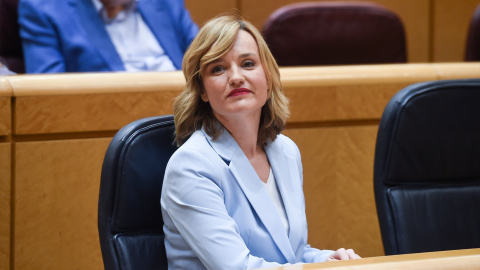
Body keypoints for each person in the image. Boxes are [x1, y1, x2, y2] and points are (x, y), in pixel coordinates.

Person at [160, 15, 361, 269]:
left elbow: (290, 253)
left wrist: (326, 260)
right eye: (218, 69)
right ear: (202, 90)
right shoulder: (191, 166)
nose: (235, 77)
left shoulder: (285, 151)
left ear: (267, 77)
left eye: (247, 63)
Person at [18, 0, 198, 73]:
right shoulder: (43, 9)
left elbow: (207, 56)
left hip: (188, 115)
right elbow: (45, 96)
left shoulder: (164, 2)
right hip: (109, 126)